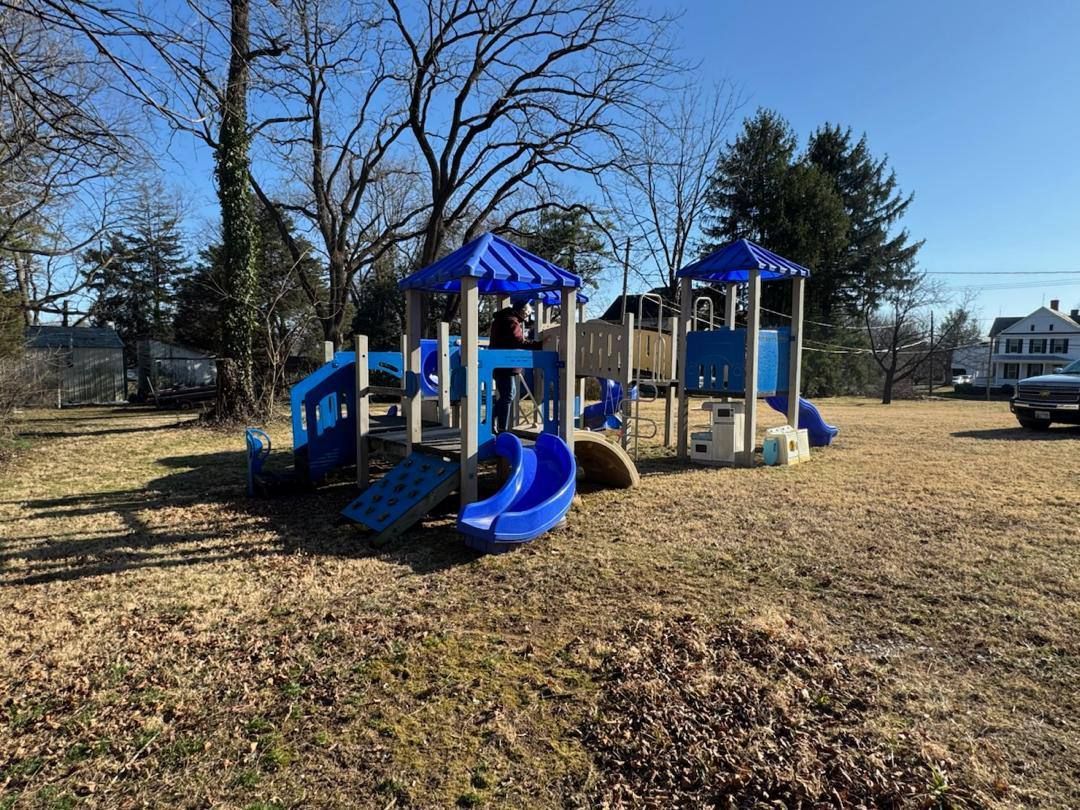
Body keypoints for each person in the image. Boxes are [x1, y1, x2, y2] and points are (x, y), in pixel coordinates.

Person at [489, 295, 542, 432]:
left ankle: (492, 422)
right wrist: (540, 344)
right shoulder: (511, 322)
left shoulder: (502, 319)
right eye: (527, 313)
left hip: (498, 362)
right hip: (506, 364)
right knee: (508, 395)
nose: (527, 315)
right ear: (522, 311)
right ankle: (501, 427)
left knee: (507, 395)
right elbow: (517, 341)